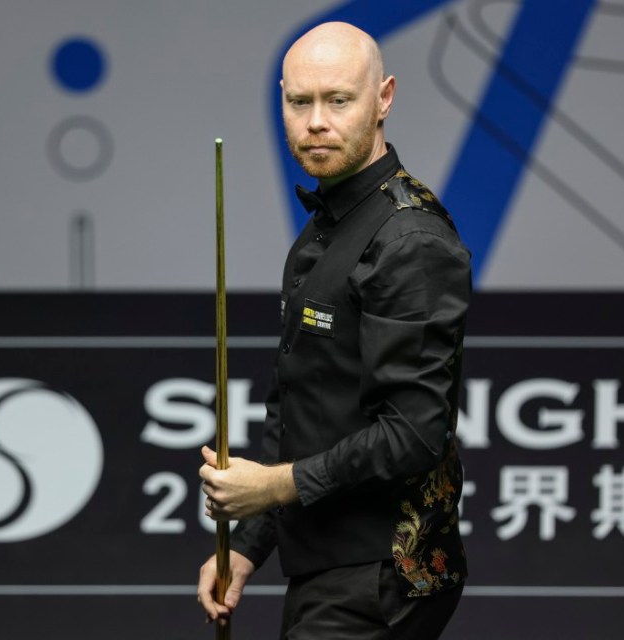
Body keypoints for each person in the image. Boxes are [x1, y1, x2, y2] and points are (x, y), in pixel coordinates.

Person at [197, 21, 471, 639]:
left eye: (338, 100)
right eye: (300, 101)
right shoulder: (326, 226)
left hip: (382, 577)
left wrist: (271, 486)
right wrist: (247, 544)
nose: (316, 121)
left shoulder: (410, 241)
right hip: (328, 565)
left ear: (384, 98)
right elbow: (303, 403)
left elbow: (414, 433)